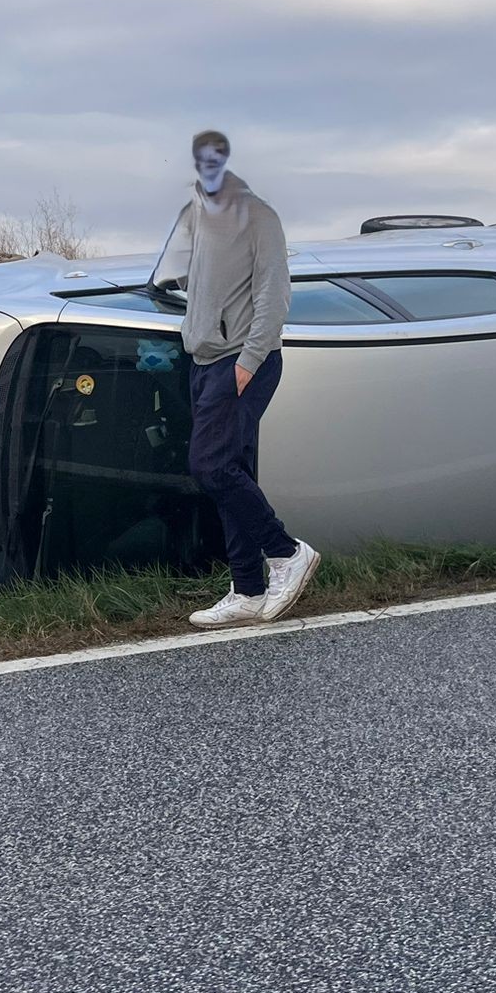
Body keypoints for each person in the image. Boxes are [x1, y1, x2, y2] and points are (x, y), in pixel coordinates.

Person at [149, 128, 320, 628]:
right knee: (231, 469)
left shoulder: (259, 216)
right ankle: (247, 588)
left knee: (210, 466)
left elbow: (274, 293)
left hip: (241, 360)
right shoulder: (195, 216)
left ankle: (286, 552)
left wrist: (249, 359)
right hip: (203, 360)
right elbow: (184, 278)